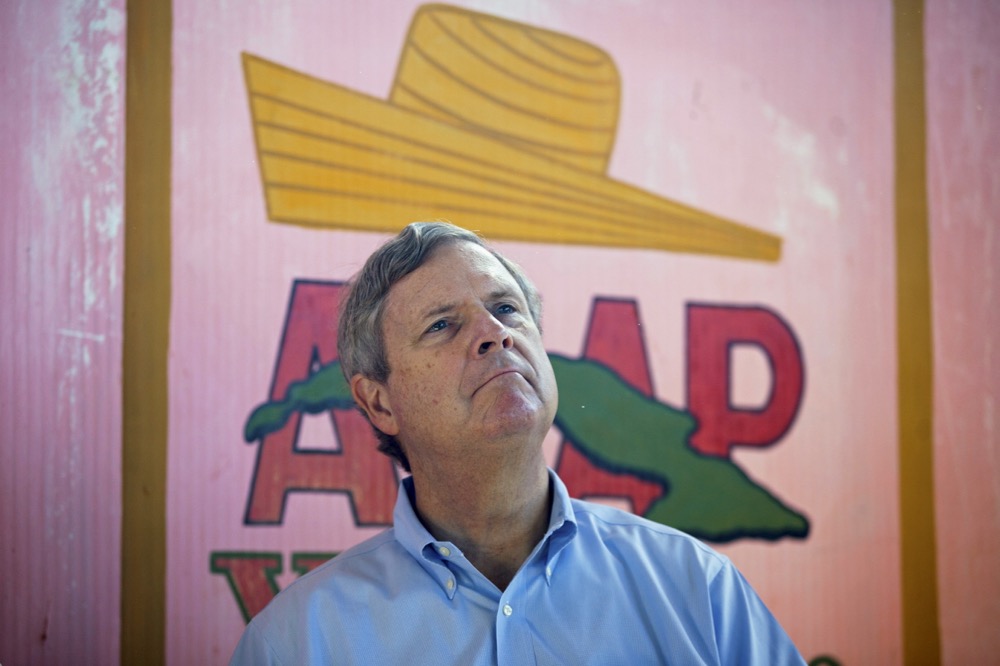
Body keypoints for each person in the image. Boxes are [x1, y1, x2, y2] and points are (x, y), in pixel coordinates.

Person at [230, 221, 806, 665]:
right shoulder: (298, 642)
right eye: (442, 325)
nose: (494, 333)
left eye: (506, 308)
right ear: (379, 402)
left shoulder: (695, 587)